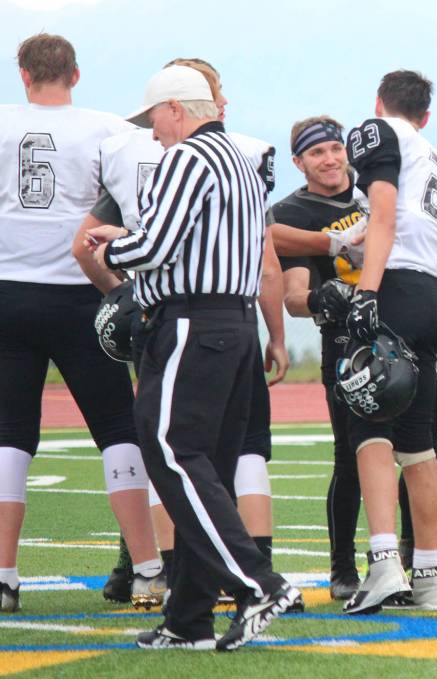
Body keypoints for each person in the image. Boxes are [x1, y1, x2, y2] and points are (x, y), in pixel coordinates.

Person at [87, 65, 299, 650]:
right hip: (235, 325)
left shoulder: (188, 158)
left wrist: (113, 243)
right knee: (210, 464)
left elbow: (155, 245)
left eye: (155, 118)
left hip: (189, 323)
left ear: (177, 109)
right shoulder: (243, 158)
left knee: (172, 452)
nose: (153, 133)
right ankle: (190, 619)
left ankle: (259, 583)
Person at [0, 33, 160, 613]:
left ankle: (5, 575)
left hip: (9, 291)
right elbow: (140, 205)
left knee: (9, 434)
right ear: (75, 74)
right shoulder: (108, 131)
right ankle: (147, 569)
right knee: (118, 424)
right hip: (82, 292)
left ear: (22, 73)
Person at [340, 70, 437, 614]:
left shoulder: (378, 132)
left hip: (391, 286)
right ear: (427, 116)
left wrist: (366, 291)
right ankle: (431, 577)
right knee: (418, 440)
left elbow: (386, 213)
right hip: (430, 295)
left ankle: (386, 563)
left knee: (369, 427)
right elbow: (420, 230)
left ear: (379, 103)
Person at [270, 114, 366, 602]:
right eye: (316, 152)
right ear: (299, 162)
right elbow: (293, 297)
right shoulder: (293, 212)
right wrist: (323, 299)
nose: (329, 159)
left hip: (400, 334)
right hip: (347, 346)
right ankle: (343, 568)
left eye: (334, 148)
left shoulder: (375, 186)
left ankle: (419, 562)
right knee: (349, 459)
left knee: (418, 453)